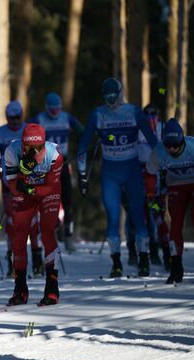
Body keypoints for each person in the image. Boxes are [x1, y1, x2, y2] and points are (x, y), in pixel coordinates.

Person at [77, 77, 157, 278]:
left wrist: (163, 168)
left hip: (132, 171)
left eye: (114, 95)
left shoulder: (134, 112)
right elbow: (83, 146)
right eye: (107, 97)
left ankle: (144, 260)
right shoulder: (98, 114)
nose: (111, 101)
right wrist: (81, 174)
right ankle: (116, 262)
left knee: (138, 215)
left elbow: (154, 142)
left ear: (121, 92)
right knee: (112, 217)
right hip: (110, 173)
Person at [3, 124, 63, 306]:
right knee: (19, 236)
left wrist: (29, 188)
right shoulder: (12, 152)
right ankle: (20, 288)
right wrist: (22, 174)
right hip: (27, 194)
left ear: (44, 145)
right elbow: (13, 187)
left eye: (38, 148)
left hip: (46, 192)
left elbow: (50, 188)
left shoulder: (55, 155)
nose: (33, 152)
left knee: (47, 232)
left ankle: (52, 287)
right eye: (28, 148)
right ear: (22, 145)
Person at [0, 101, 42, 278]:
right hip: (8, 180)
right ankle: (13, 263)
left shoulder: (29, 130)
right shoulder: (0, 133)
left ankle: (38, 260)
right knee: (11, 222)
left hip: (28, 178)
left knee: (32, 221)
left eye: (17, 117)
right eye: (11, 118)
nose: (15, 121)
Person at [30, 92, 84, 252]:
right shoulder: (39, 119)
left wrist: (84, 139)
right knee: (46, 199)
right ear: (47, 108)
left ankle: (68, 235)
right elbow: (24, 133)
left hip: (63, 162)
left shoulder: (67, 118)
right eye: (51, 110)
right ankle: (54, 227)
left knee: (67, 200)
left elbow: (83, 132)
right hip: (45, 165)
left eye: (57, 109)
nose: (54, 113)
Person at [145, 118, 193, 283]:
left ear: (182, 140)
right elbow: (150, 172)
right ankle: (176, 266)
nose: (172, 149)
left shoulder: (192, 147)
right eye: (168, 146)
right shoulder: (159, 151)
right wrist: (151, 194)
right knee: (175, 224)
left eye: (176, 145)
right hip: (176, 187)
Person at [123, 104, 170, 266]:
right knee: (132, 213)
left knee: (155, 214)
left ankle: (155, 250)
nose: (150, 116)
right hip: (135, 174)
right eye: (147, 114)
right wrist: (107, 138)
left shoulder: (162, 128)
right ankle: (132, 250)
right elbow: (116, 141)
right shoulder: (134, 128)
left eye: (153, 114)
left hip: (156, 175)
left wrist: (166, 175)